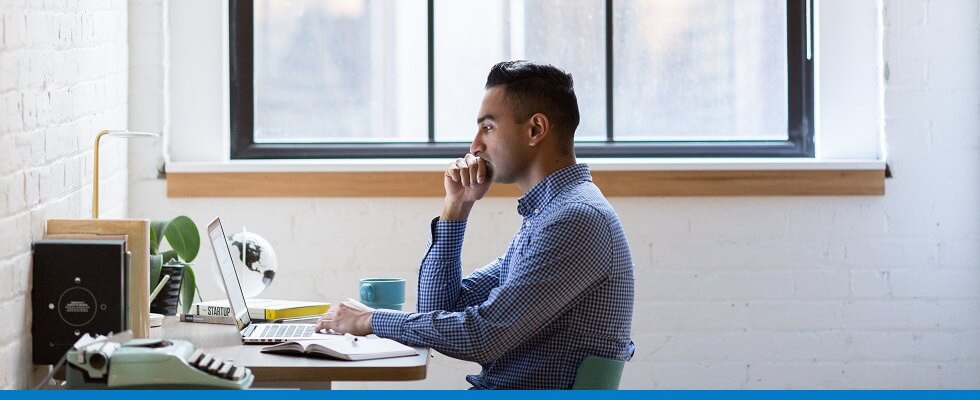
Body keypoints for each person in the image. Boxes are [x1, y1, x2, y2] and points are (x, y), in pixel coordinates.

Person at [317, 60, 635, 389]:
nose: (475, 146)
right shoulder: (547, 216)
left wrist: (370, 320)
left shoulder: (574, 220)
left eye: (488, 127)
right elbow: (438, 309)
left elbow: (483, 336)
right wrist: (457, 206)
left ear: (535, 130)